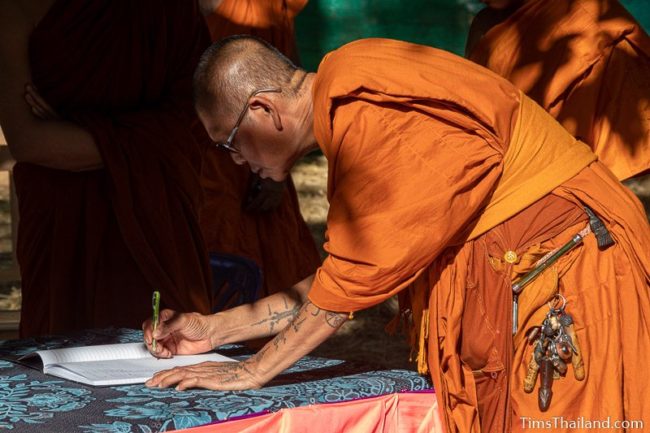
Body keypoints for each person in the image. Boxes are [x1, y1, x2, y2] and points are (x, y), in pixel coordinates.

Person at [142, 36, 650, 432]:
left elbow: (344, 290)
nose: (234, 160)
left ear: (264, 111)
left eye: (228, 141)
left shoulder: (367, 109)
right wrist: (215, 331)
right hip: (531, 268)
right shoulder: (346, 92)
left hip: (573, 269)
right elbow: (344, 280)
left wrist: (252, 371)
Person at [0, 0, 214, 337]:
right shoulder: (19, 7)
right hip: (62, 218)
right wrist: (138, 138)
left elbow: (195, 121)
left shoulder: (170, 8)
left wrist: (75, 129)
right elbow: (28, 141)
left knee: (166, 346)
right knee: (60, 356)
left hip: (155, 212)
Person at [197, 0, 321, 304]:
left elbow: (287, 74)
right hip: (204, 161)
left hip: (267, 147)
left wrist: (279, 169)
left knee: (276, 265)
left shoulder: (265, 6)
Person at [466, 0, 650, 182]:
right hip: (526, 171)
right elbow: (476, 109)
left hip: (614, 174)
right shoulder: (485, 27)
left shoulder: (591, 17)